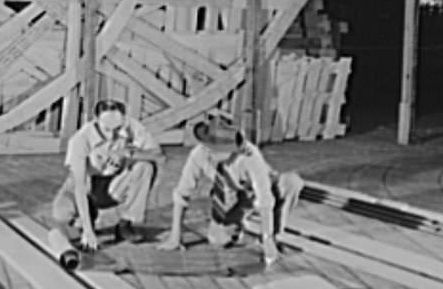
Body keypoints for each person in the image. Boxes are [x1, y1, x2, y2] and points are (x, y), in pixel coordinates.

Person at [157, 117, 303, 264]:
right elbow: (182, 193)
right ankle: (242, 225)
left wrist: (268, 240)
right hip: (235, 197)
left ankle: (272, 233)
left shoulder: (249, 154)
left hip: (267, 188)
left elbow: (265, 198)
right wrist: (175, 237)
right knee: (218, 239)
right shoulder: (199, 155)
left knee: (292, 182)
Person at [52, 99, 165, 250]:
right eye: (107, 129)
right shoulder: (80, 140)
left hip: (115, 184)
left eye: (117, 128)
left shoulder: (131, 126)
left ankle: (126, 223)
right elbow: (79, 187)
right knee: (61, 213)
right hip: (87, 186)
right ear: (96, 120)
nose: (112, 135)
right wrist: (88, 231)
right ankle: (85, 218)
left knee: (145, 167)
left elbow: (158, 155)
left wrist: (128, 153)